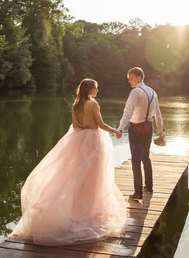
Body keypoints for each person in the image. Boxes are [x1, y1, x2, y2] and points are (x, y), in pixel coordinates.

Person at [10, 79, 127, 246]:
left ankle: (79, 210)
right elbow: (100, 124)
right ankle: (89, 212)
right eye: (96, 88)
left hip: (79, 141)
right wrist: (115, 130)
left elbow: (75, 125)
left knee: (77, 176)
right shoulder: (92, 104)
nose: (97, 91)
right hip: (93, 141)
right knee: (93, 177)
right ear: (89, 89)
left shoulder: (76, 105)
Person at [117, 67, 165, 200]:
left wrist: (120, 128)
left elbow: (128, 111)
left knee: (136, 160)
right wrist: (161, 130)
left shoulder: (136, 91)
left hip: (137, 129)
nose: (129, 81)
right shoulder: (153, 92)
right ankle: (149, 187)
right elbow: (158, 114)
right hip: (148, 128)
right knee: (146, 157)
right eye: (128, 79)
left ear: (139, 78)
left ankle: (138, 193)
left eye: (131, 78)